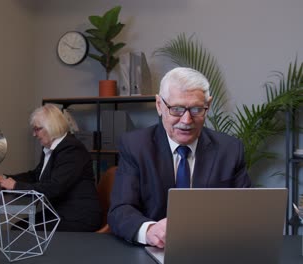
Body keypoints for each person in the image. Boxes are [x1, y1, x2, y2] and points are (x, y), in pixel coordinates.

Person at [107, 67, 251, 248]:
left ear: (208, 106)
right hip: (154, 251)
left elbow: (245, 212)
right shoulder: (136, 146)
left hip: (212, 248)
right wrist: (150, 230)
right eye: (176, 109)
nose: (186, 120)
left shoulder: (230, 149)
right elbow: (120, 210)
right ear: (159, 105)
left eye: (197, 109)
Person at [0, 104, 102, 232]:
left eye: (37, 129)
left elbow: (54, 188)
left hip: (79, 216)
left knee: (19, 229)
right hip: (61, 212)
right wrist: (5, 179)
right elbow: (35, 176)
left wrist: (15, 186)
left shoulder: (71, 149)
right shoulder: (51, 148)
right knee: (18, 227)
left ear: (51, 127)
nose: (34, 134)